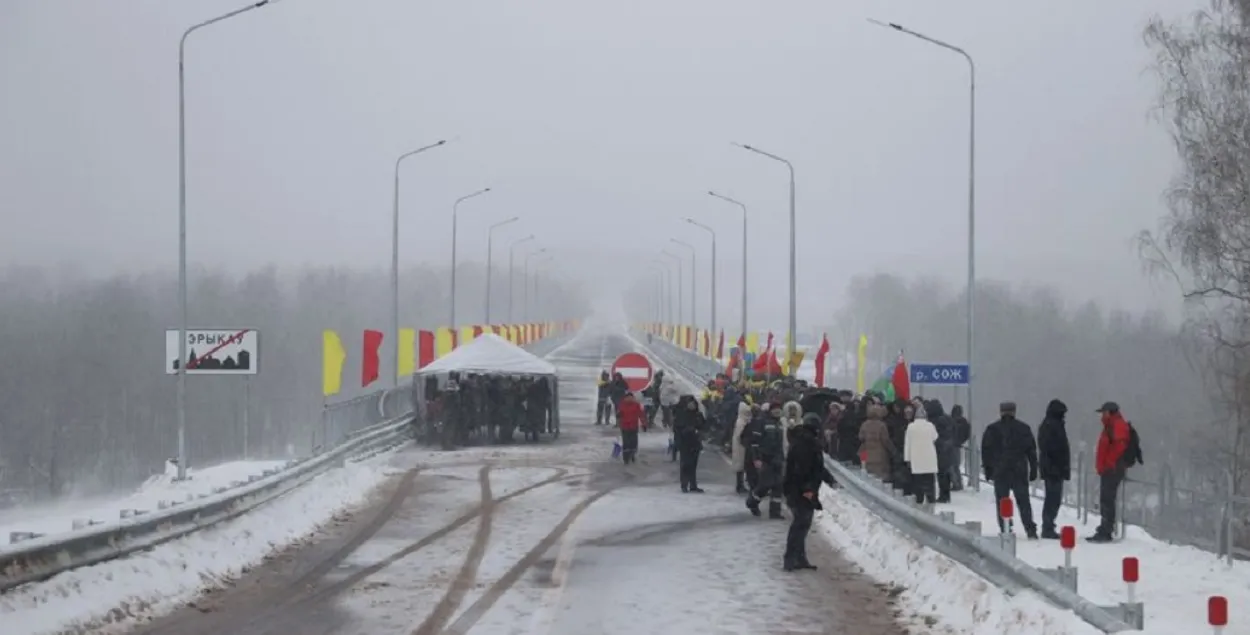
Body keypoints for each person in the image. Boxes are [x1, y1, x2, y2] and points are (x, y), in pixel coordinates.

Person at [981, 401, 1039, 539]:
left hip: (1000, 471)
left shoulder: (992, 429)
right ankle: (1030, 528)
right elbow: (1031, 450)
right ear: (1014, 411)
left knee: (1002, 500)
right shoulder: (1024, 428)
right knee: (1023, 501)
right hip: (1019, 470)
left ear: (1001, 412)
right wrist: (1034, 468)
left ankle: (1005, 527)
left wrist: (988, 470)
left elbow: (986, 451)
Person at [782, 417, 826, 571]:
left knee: (802, 525)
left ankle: (799, 557)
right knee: (800, 525)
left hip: (797, 490)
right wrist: (808, 489)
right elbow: (803, 469)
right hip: (801, 491)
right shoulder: (806, 444)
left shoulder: (801, 442)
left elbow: (816, 468)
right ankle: (790, 558)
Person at [1089, 401, 1130, 542]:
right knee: (1106, 499)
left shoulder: (1116, 425)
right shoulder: (1111, 425)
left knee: (1107, 499)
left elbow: (1119, 446)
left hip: (1112, 469)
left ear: (1109, 412)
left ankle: (1106, 530)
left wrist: (1108, 463)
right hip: (1109, 468)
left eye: (1103, 412)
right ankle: (1105, 527)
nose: (1101, 415)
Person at [745, 402, 787, 519]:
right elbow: (754, 442)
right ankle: (752, 502)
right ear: (770, 411)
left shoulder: (780, 424)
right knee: (765, 484)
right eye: (774, 409)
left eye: (779, 409)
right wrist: (756, 458)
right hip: (765, 458)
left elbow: (781, 443)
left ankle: (775, 512)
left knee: (778, 486)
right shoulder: (762, 422)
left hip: (778, 459)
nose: (777, 411)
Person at [1037, 399, 1071, 539]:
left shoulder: (1050, 424)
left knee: (1053, 498)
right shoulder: (1052, 426)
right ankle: (1048, 526)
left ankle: (1049, 525)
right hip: (1054, 468)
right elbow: (1053, 447)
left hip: (1053, 467)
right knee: (1053, 498)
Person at [904, 404, 939, 504]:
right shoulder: (930, 426)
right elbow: (935, 437)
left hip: (916, 459)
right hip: (929, 459)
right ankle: (931, 500)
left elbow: (907, 444)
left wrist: (907, 459)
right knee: (929, 482)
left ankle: (919, 500)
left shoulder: (910, 427)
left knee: (918, 483)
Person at [673, 395, 706, 492]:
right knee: (685, 464)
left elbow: (703, 426)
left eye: (693, 403)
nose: (692, 405)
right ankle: (684, 484)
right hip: (685, 443)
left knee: (693, 465)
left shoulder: (698, 414)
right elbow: (678, 430)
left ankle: (693, 485)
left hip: (695, 443)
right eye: (690, 403)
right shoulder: (681, 415)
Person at [926, 399, 957, 503]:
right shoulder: (948, 419)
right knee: (944, 474)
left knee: (939, 474)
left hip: (938, 449)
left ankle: (940, 495)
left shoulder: (933, 421)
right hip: (948, 449)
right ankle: (945, 495)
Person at [858, 402, 895, 480]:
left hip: (866, 453)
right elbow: (885, 440)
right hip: (880, 455)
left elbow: (860, 437)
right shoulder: (882, 425)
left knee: (868, 476)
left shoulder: (864, 424)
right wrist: (893, 450)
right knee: (879, 477)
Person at [616, 392, 644, 464]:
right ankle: (625, 458)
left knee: (633, 442)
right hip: (625, 427)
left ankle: (632, 455)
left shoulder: (636, 405)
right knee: (626, 443)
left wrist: (644, 424)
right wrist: (618, 416)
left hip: (633, 427)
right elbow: (619, 414)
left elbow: (641, 414)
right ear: (625, 398)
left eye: (631, 397)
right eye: (628, 397)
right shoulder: (622, 405)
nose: (629, 399)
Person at [730, 401, 752, 494]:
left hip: (741, 446)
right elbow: (740, 435)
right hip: (741, 446)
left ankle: (741, 484)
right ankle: (739, 485)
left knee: (742, 466)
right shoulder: (741, 421)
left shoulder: (744, 420)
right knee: (741, 466)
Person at [950, 404, 971, 491]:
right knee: (956, 465)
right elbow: (967, 434)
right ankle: (958, 483)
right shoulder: (964, 422)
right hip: (958, 445)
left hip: (951, 445)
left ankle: (956, 483)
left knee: (951, 465)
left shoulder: (951, 420)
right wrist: (961, 441)